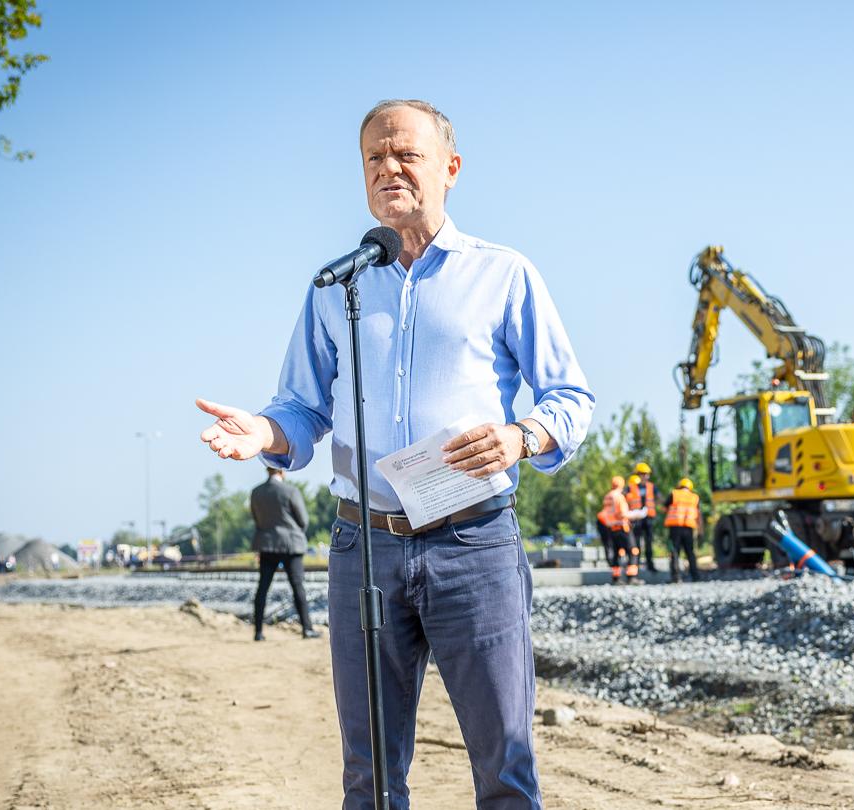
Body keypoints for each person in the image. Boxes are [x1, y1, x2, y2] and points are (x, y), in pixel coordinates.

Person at [194, 98, 593, 809]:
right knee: (370, 776)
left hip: (475, 544)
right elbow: (303, 407)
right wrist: (265, 432)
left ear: (451, 167)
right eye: (374, 158)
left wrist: (520, 437)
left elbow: (570, 398)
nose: (389, 168)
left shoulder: (503, 275)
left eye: (405, 154)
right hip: (364, 549)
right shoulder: (335, 287)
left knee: (506, 765)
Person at [250, 465, 318, 641]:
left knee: (262, 588)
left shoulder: (256, 492)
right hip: (291, 544)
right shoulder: (291, 491)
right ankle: (307, 629)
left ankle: (258, 632)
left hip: (267, 544)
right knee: (297, 587)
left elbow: (257, 519)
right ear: (282, 471)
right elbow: (303, 520)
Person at [598, 475, 638, 585]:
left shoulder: (607, 496)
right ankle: (631, 577)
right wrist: (636, 515)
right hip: (622, 527)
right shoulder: (619, 497)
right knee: (633, 551)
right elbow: (623, 514)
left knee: (616, 553)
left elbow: (605, 513)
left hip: (611, 528)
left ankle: (616, 578)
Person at [663, 478, 702, 582]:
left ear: (679, 486)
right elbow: (699, 515)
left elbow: (664, 508)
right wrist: (700, 530)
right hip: (688, 528)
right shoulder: (695, 497)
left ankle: (676, 577)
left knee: (674, 551)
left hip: (675, 528)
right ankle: (695, 576)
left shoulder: (674, 494)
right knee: (690, 552)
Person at [624, 462, 658, 572]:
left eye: (647, 474)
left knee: (649, 542)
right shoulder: (631, 487)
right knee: (636, 543)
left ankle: (650, 565)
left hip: (648, 518)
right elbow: (623, 498)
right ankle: (636, 565)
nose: (645, 476)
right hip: (636, 518)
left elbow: (659, 498)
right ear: (638, 474)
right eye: (643, 474)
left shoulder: (652, 487)